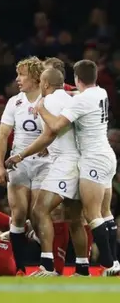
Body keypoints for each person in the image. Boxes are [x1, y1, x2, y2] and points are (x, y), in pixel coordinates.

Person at [31, 60, 120, 276]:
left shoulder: (81, 101)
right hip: (108, 157)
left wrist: (41, 108)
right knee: (105, 213)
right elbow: (75, 96)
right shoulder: (100, 93)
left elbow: (55, 126)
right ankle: (112, 262)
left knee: (92, 214)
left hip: (92, 159)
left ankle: (109, 264)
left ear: (76, 78)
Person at [5, 68, 90, 276]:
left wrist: (20, 155)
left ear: (44, 84)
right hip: (82, 162)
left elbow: (48, 134)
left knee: (39, 210)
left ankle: (48, 266)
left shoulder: (49, 101)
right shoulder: (73, 98)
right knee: (75, 218)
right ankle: (83, 268)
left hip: (65, 164)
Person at [0, 57, 49, 274]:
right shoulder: (14, 102)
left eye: (22, 75)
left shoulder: (50, 100)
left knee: (38, 215)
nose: (18, 79)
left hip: (45, 164)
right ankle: (19, 268)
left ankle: (47, 265)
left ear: (36, 77)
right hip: (18, 164)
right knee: (18, 213)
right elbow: (2, 136)